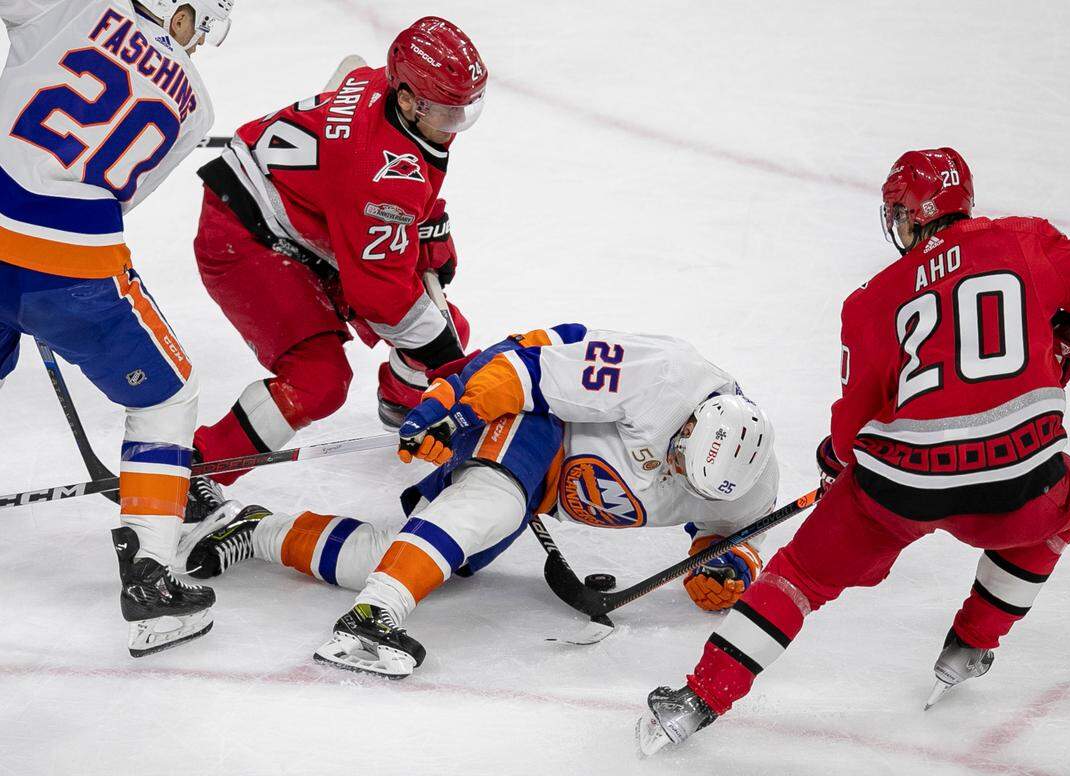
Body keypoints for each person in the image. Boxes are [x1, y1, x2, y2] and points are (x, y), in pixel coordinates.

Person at [635, 147, 1070, 756]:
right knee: (1069, 496)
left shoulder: (872, 299)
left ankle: (696, 702)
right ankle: (973, 643)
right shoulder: (1024, 241)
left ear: (908, 216)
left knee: (799, 575)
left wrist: (836, 461)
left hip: (902, 484)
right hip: (1018, 477)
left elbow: (853, 428)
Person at [180, 323, 781, 678]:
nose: (673, 473)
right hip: (527, 408)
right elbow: (525, 370)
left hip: (546, 486)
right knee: (491, 501)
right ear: (687, 424)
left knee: (406, 560)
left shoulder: (749, 480)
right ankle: (372, 618)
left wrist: (724, 563)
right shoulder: (664, 377)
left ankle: (254, 530)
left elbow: (729, 534)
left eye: (687, 479)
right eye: (676, 456)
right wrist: (456, 409)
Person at [0, 0, 233, 656]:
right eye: (204, 21)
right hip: (69, 262)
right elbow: (120, 192)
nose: (203, 39)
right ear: (180, 12)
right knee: (167, 394)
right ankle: (152, 583)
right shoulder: (197, 103)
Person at [189, 16, 485, 506]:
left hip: (306, 216)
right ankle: (200, 467)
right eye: (446, 112)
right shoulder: (379, 174)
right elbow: (381, 296)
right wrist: (451, 367)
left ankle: (402, 403)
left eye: (464, 110)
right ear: (407, 98)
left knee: (447, 324)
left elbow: (403, 173)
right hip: (244, 235)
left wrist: (428, 226)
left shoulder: (385, 89)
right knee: (320, 381)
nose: (455, 125)